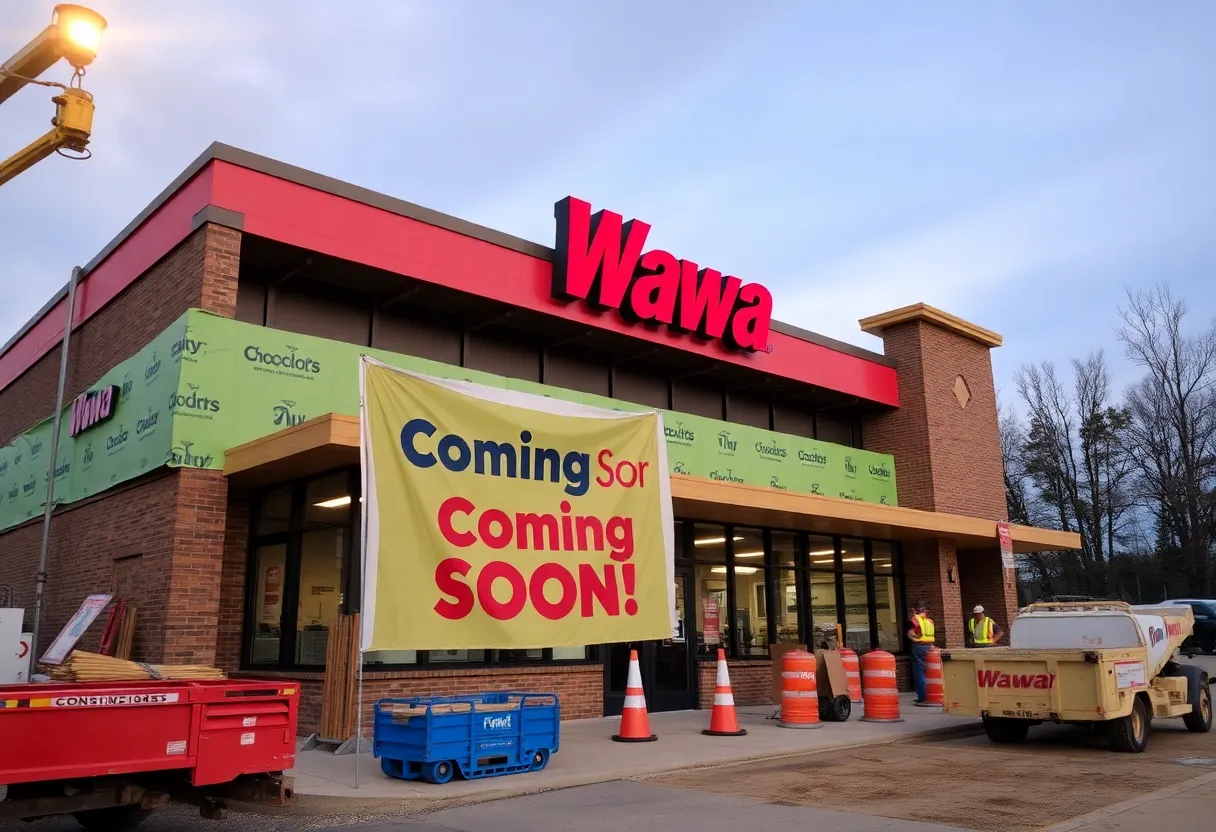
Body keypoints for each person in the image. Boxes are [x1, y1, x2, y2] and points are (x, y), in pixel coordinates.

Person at [907, 601, 936, 704]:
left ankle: (923, 697)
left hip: (919, 646)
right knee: (930, 672)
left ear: (915, 610)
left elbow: (911, 634)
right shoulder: (930, 621)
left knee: (919, 672)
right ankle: (932, 695)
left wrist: (914, 639)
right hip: (930, 647)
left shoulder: (915, 620)